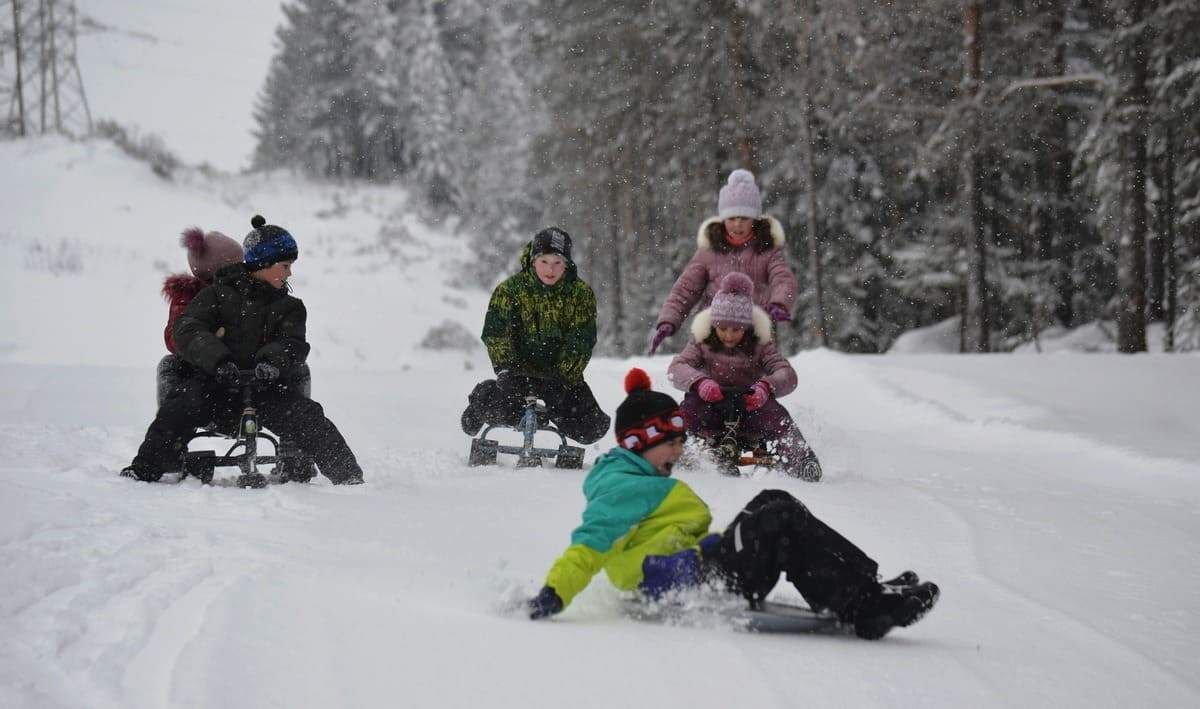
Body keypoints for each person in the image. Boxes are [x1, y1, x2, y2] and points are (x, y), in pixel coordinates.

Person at [526, 368, 939, 640]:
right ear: (639, 443)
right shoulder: (621, 486)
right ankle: (865, 604)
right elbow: (590, 542)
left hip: (701, 569)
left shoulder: (637, 479)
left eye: (680, 443)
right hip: (693, 581)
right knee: (775, 511)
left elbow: (664, 535)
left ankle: (868, 586)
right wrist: (554, 592)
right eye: (670, 444)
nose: (677, 453)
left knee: (774, 505)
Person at [120, 215, 364, 485]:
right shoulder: (215, 295)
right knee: (179, 408)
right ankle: (144, 470)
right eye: (285, 266)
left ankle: (348, 476)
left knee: (308, 417)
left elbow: (292, 343)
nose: (289, 273)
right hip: (215, 387)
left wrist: (271, 363)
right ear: (263, 264)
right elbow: (188, 330)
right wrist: (219, 362)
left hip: (266, 391)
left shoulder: (291, 307)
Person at [460, 227, 610, 444]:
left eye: (558, 263)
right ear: (533, 261)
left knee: (590, 428)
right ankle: (482, 402)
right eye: (544, 262)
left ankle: (543, 411)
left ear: (566, 264)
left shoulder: (580, 294)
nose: (551, 270)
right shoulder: (510, 290)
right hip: (517, 374)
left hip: (559, 378)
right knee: (502, 408)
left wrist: (563, 377)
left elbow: (582, 340)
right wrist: (505, 369)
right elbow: (496, 333)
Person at [667, 271, 819, 478]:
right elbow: (677, 368)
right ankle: (670, 452)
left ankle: (801, 460)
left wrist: (766, 387)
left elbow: (787, 374)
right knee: (685, 412)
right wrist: (699, 382)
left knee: (776, 416)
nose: (729, 335)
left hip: (749, 406)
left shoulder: (761, 344)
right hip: (711, 404)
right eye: (722, 328)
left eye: (736, 329)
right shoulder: (701, 341)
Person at [648, 169, 799, 355]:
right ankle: (702, 382)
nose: (737, 224)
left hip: (752, 332)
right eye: (731, 218)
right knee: (694, 367)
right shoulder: (708, 251)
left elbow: (783, 279)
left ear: (754, 219)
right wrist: (668, 320)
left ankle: (759, 383)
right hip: (714, 332)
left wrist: (780, 303)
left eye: (744, 218)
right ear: (722, 219)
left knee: (761, 373)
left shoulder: (767, 250)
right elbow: (685, 289)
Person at [156, 227, 244, 404]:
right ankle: (170, 418)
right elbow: (175, 338)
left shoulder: (244, 292)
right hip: (198, 365)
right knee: (170, 365)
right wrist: (207, 342)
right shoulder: (188, 297)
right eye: (237, 267)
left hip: (240, 365)